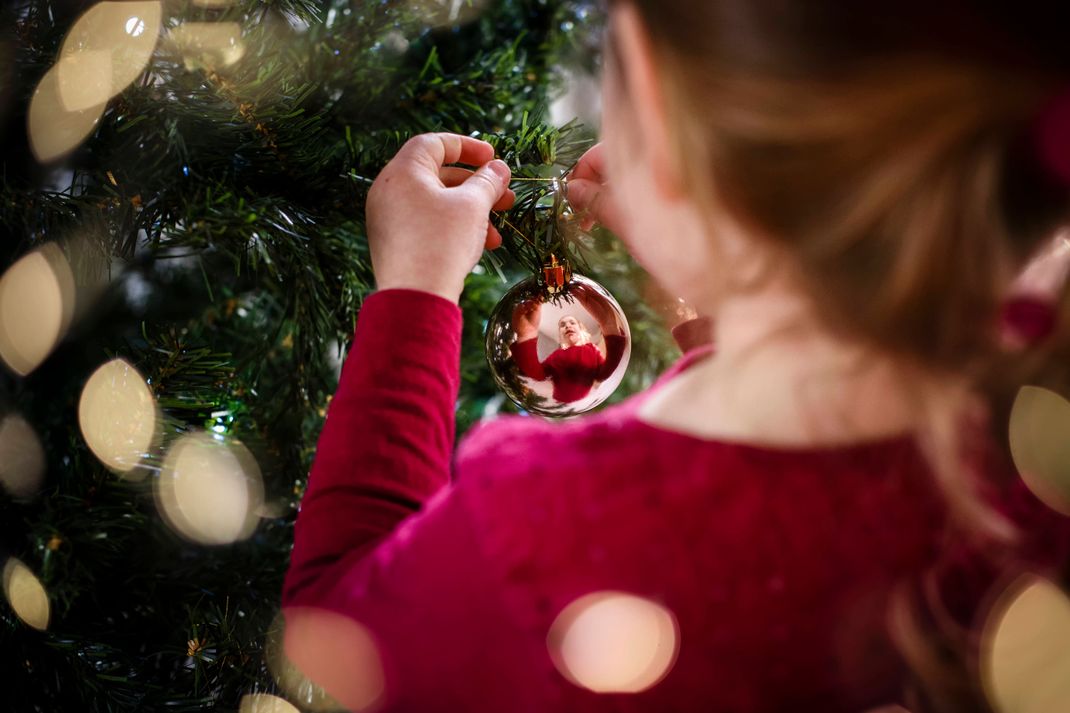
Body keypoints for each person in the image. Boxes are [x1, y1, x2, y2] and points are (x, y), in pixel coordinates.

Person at [281, 2, 1070, 711]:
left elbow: (340, 634)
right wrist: (724, 272)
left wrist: (416, 292)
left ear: (658, 108)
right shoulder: (1043, 419)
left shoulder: (544, 530)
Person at [509, 284, 628, 403]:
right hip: (558, 403)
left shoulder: (592, 350)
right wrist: (526, 335)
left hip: (584, 402)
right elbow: (538, 374)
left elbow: (604, 373)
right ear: (560, 335)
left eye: (572, 322)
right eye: (562, 325)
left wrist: (609, 326)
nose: (567, 326)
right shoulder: (557, 355)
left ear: (581, 329)